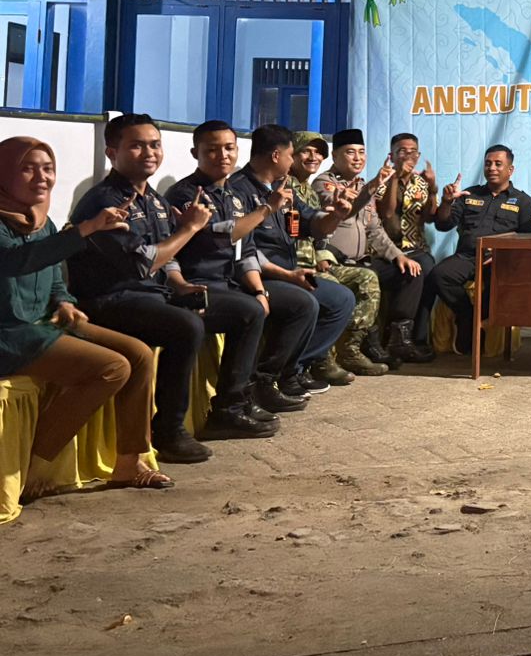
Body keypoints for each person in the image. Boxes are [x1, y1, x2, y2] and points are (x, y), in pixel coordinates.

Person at [68, 114, 249, 463]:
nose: (149, 153)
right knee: (186, 326)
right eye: (137, 146)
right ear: (112, 152)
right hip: (109, 299)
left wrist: (180, 283)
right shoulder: (104, 201)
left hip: (153, 295)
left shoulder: (153, 199)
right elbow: (144, 263)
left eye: (155, 145)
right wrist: (189, 229)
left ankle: (230, 408)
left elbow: (168, 257)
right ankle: (168, 431)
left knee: (246, 311)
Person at [0, 136, 171, 502]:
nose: (41, 178)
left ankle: (129, 462)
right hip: (9, 333)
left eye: (48, 169)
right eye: (27, 168)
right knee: (112, 368)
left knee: (140, 354)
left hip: (43, 323)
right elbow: (17, 261)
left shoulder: (39, 219)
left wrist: (63, 301)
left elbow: (53, 274)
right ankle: (37, 462)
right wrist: (86, 228)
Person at [165, 120, 307, 424]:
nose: (223, 156)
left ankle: (262, 386)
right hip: (197, 283)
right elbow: (222, 236)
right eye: (212, 150)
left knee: (297, 303)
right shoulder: (186, 194)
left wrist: (259, 290)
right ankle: (229, 408)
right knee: (249, 312)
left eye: (229, 148)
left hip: (230, 282)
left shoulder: (234, 194)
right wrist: (266, 209)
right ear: (195, 153)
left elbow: (246, 251)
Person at [229, 124, 356, 397]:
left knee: (341, 299)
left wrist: (335, 215)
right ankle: (267, 378)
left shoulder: (283, 186)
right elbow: (243, 248)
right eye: (290, 155)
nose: (292, 161)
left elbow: (312, 223)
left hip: (289, 273)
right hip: (258, 277)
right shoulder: (238, 190)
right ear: (276, 156)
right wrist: (287, 275)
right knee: (304, 301)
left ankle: (294, 368)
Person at [314, 129, 427, 370]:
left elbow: (375, 230)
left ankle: (398, 338)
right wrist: (374, 186)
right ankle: (366, 343)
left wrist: (399, 256)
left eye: (362, 152)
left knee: (411, 271)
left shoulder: (363, 185)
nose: (357, 158)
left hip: (363, 260)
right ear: (335, 156)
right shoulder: (324, 183)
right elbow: (346, 209)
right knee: (369, 277)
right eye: (350, 152)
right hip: (335, 261)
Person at [288, 131, 387, 378]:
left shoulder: (307, 190)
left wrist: (323, 253)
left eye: (318, 152)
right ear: (290, 154)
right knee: (336, 291)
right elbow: (297, 231)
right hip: (293, 266)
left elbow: (318, 230)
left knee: (368, 279)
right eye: (306, 151)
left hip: (319, 259)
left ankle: (349, 350)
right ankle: (320, 359)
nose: (313, 157)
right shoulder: (290, 186)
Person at [429, 144, 531, 354]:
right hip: (467, 256)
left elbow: (530, 240)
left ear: (510, 170)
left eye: (498, 164)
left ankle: (474, 323)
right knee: (438, 275)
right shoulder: (469, 194)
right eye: (488, 164)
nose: (492, 168)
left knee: (499, 284)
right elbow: (443, 224)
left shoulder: (522, 201)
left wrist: (504, 256)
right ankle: (468, 317)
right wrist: (446, 202)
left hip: (498, 260)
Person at [376, 131, 438, 358]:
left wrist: (432, 189)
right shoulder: (380, 180)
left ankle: (416, 338)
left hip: (415, 247)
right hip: (385, 251)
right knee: (415, 271)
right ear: (392, 155)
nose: (408, 156)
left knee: (429, 270)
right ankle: (397, 338)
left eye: (413, 152)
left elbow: (430, 217)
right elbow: (386, 213)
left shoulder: (421, 182)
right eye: (402, 151)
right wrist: (394, 178)